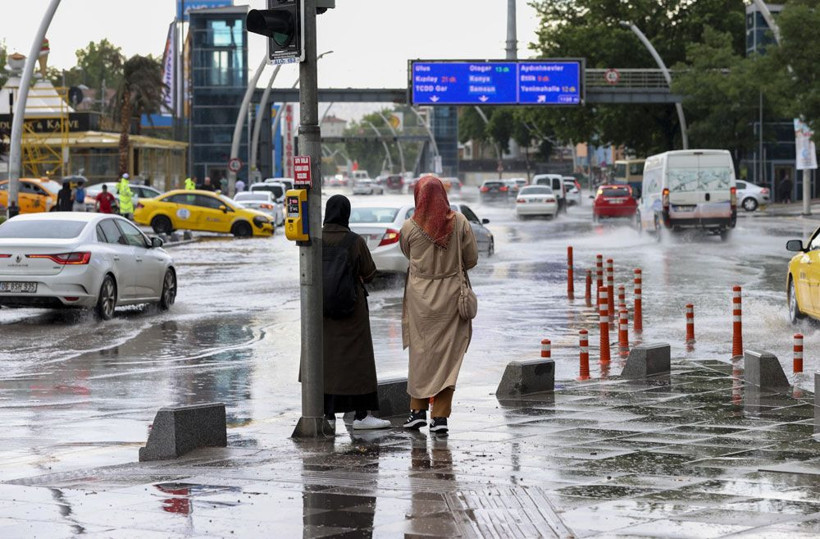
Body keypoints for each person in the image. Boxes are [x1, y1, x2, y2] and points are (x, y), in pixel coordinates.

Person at [400, 175, 478, 435]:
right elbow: (472, 258)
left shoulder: (409, 228)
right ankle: (440, 418)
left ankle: (417, 411)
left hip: (420, 299)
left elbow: (406, 254)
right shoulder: (460, 223)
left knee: (421, 355)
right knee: (448, 358)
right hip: (451, 298)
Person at [321, 194, 391, 431]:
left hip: (319, 312)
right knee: (357, 361)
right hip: (352, 312)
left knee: (324, 359)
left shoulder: (314, 239)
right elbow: (370, 273)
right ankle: (361, 416)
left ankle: (326, 416)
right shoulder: (354, 241)